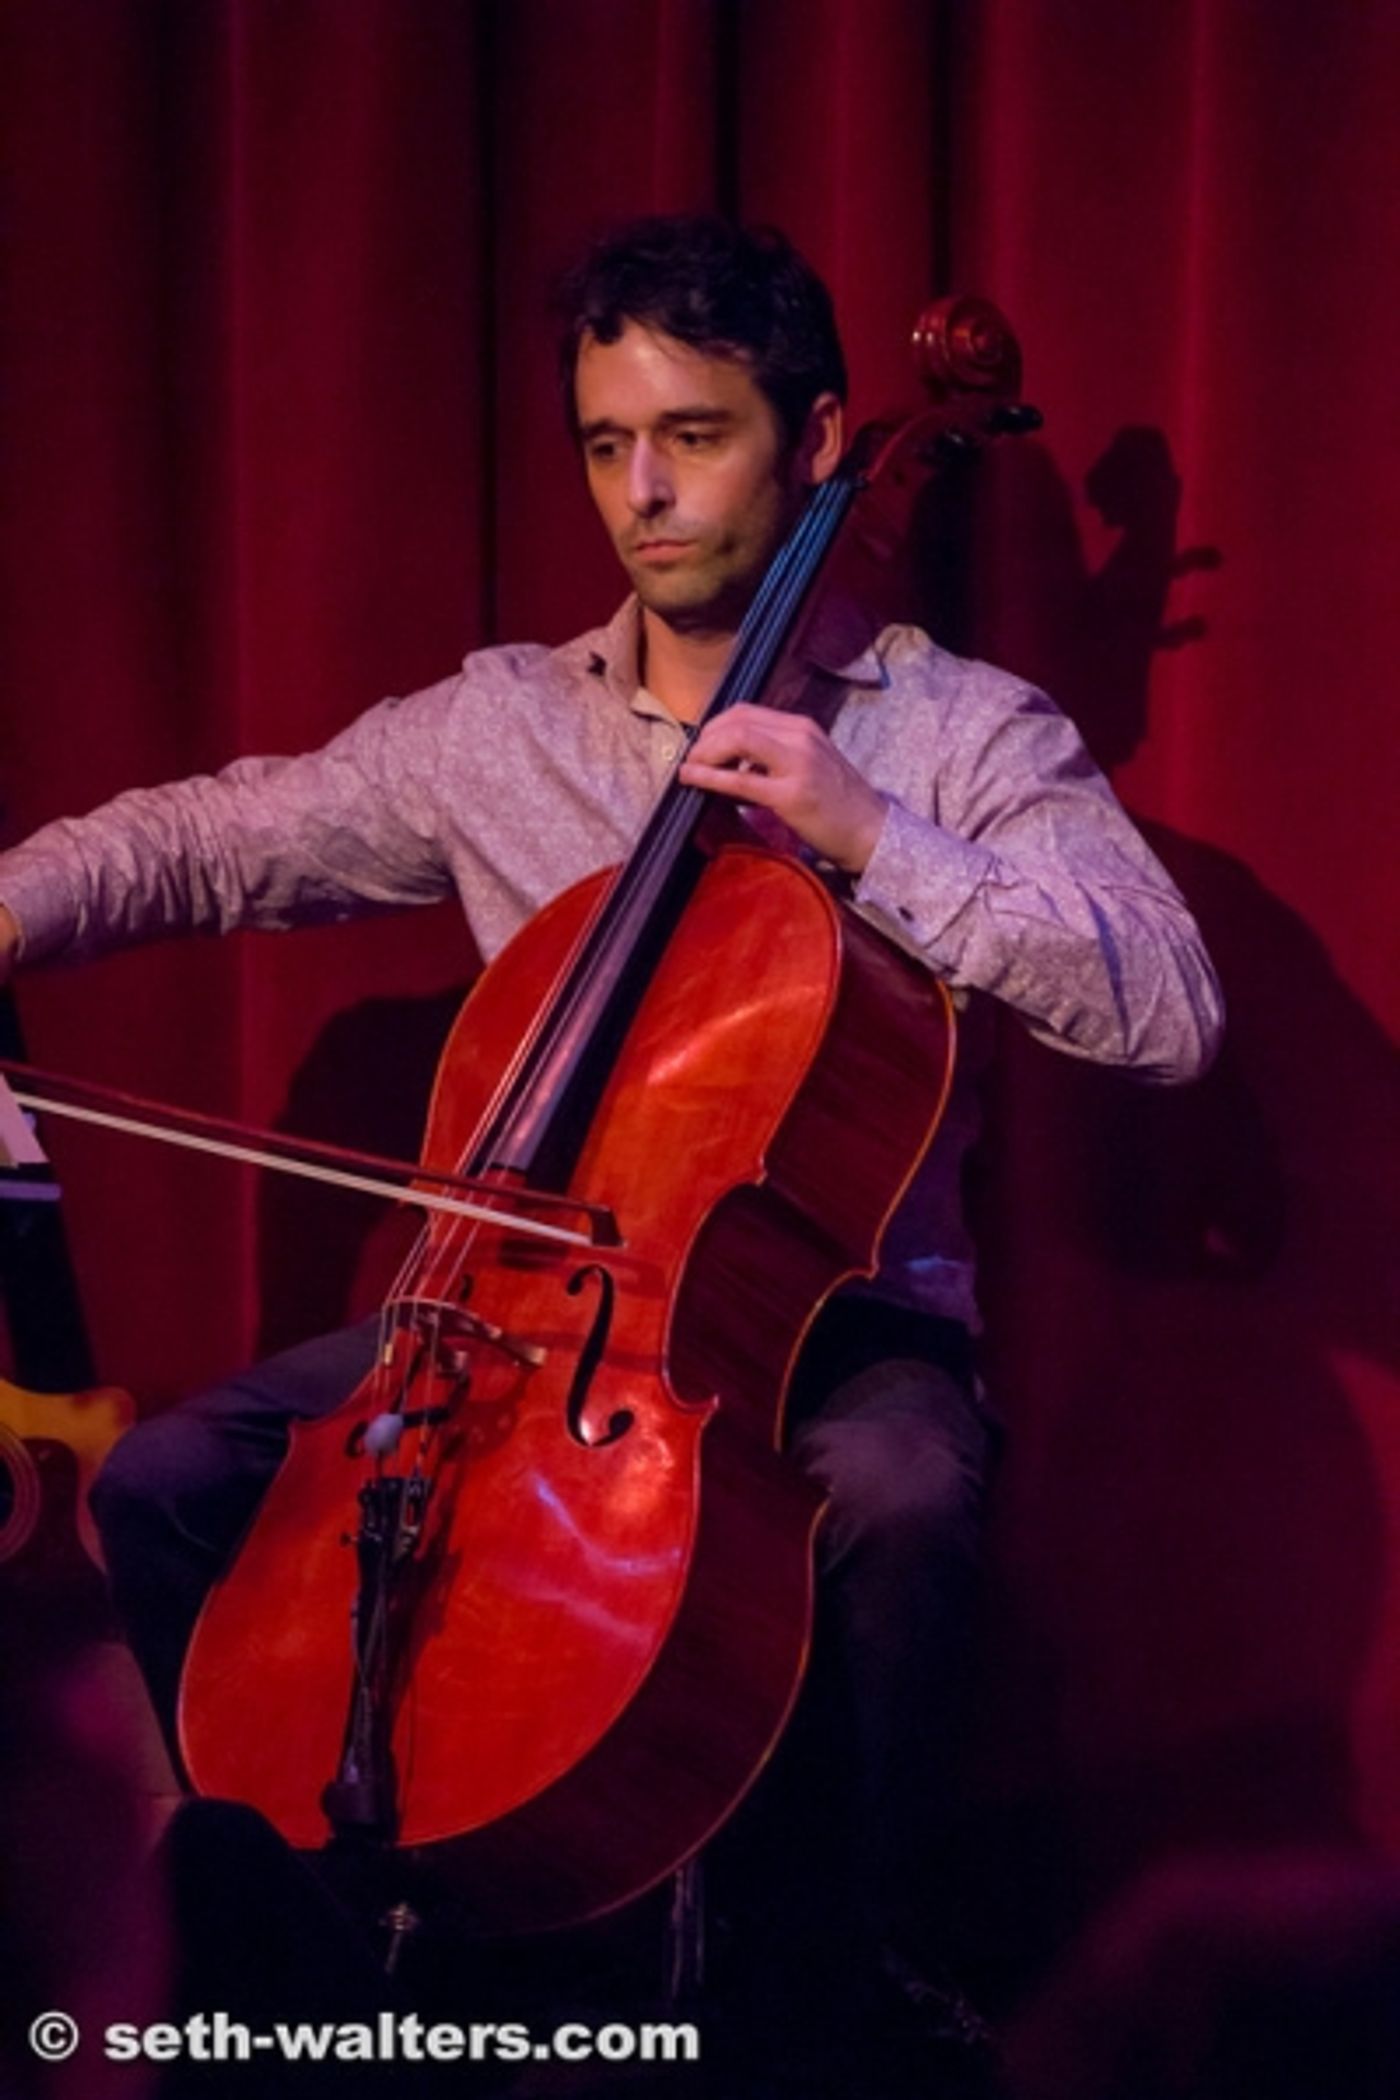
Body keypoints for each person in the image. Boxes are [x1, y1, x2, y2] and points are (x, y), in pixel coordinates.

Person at [0, 216, 1222, 2095]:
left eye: (694, 437)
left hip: (835, 1320)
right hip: (526, 1316)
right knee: (169, 1482)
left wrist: (874, 834)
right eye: (604, 443)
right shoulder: (501, 723)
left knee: (900, 1501)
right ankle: (334, 1967)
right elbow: (220, 837)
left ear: (821, 441)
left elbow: (1168, 1008)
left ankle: (857, 1980)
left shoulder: (964, 732)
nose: (641, 494)